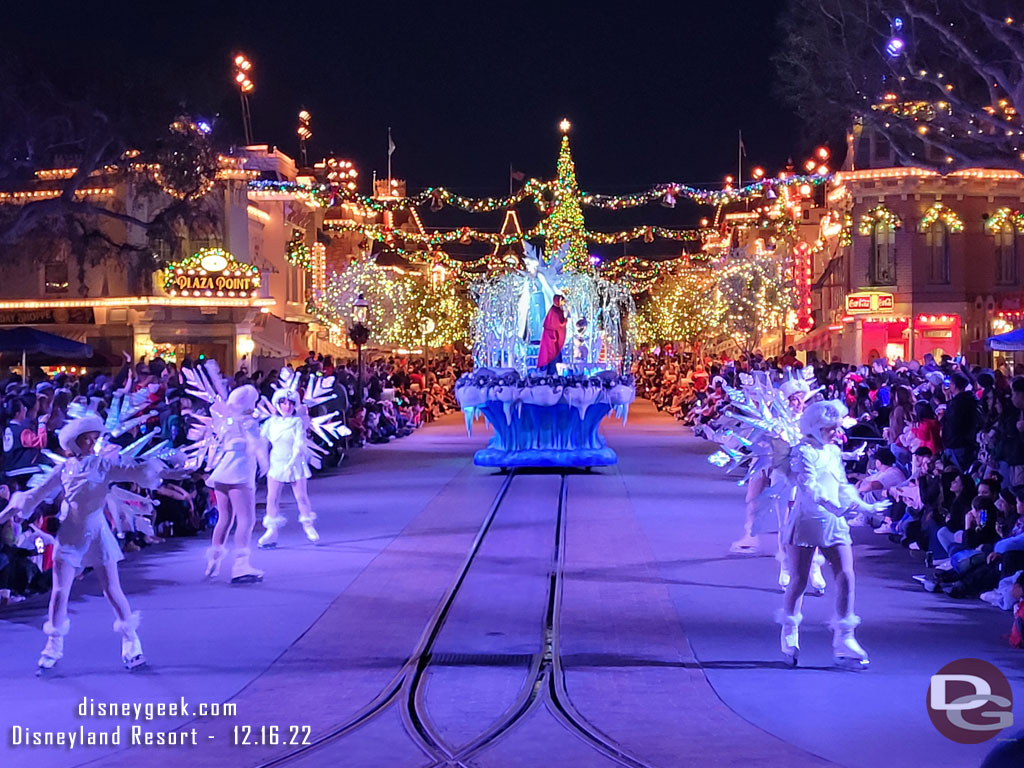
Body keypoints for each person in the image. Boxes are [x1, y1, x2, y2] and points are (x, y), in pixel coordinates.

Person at [0, 412, 162, 672]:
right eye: (87, 438)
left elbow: (132, 472)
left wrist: (161, 469)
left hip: (97, 532)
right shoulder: (63, 468)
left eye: (94, 438)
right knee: (60, 591)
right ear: (75, 441)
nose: (91, 443)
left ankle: (132, 642)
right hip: (71, 533)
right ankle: (53, 645)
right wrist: (11, 510)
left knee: (112, 589)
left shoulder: (103, 466)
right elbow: (35, 495)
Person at [779, 400, 889, 668]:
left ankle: (845, 637)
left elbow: (842, 485)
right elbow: (810, 488)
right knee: (800, 579)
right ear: (816, 426)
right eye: (830, 428)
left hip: (834, 522)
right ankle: (790, 629)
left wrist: (864, 506)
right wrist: (837, 508)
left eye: (836, 428)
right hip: (808, 520)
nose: (835, 433)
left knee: (846, 575)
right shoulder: (802, 452)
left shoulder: (832, 452)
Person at [203, 384, 268, 583]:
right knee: (246, 519)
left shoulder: (226, 421)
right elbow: (255, 445)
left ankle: (213, 561)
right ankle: (241, 566)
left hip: (222, 470)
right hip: (239, 471)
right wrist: (265, 463)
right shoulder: (248, 422)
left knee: (225, 518)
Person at [257, 389, 320, 547]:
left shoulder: (296, 422)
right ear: (277, 404)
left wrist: (292, 461)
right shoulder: (270, 422)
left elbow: (299, 442)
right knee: (272, 498)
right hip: (276, 462)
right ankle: (271, 530)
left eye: (290, 403)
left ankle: (308, 525)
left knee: (301, 497)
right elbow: (261, 442)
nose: (287, 406)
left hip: (295, 462)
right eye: (284, 403)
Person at [537, 294, 568, 375]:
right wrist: (566, 318)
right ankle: (551, 373)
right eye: (561, 300)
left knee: (555, 355)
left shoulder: (557, 310)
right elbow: (559, 323)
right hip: (551, 339)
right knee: (551, 356)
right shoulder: (554, 311)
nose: (563, 302)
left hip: (554, 338)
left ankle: (555, 372)